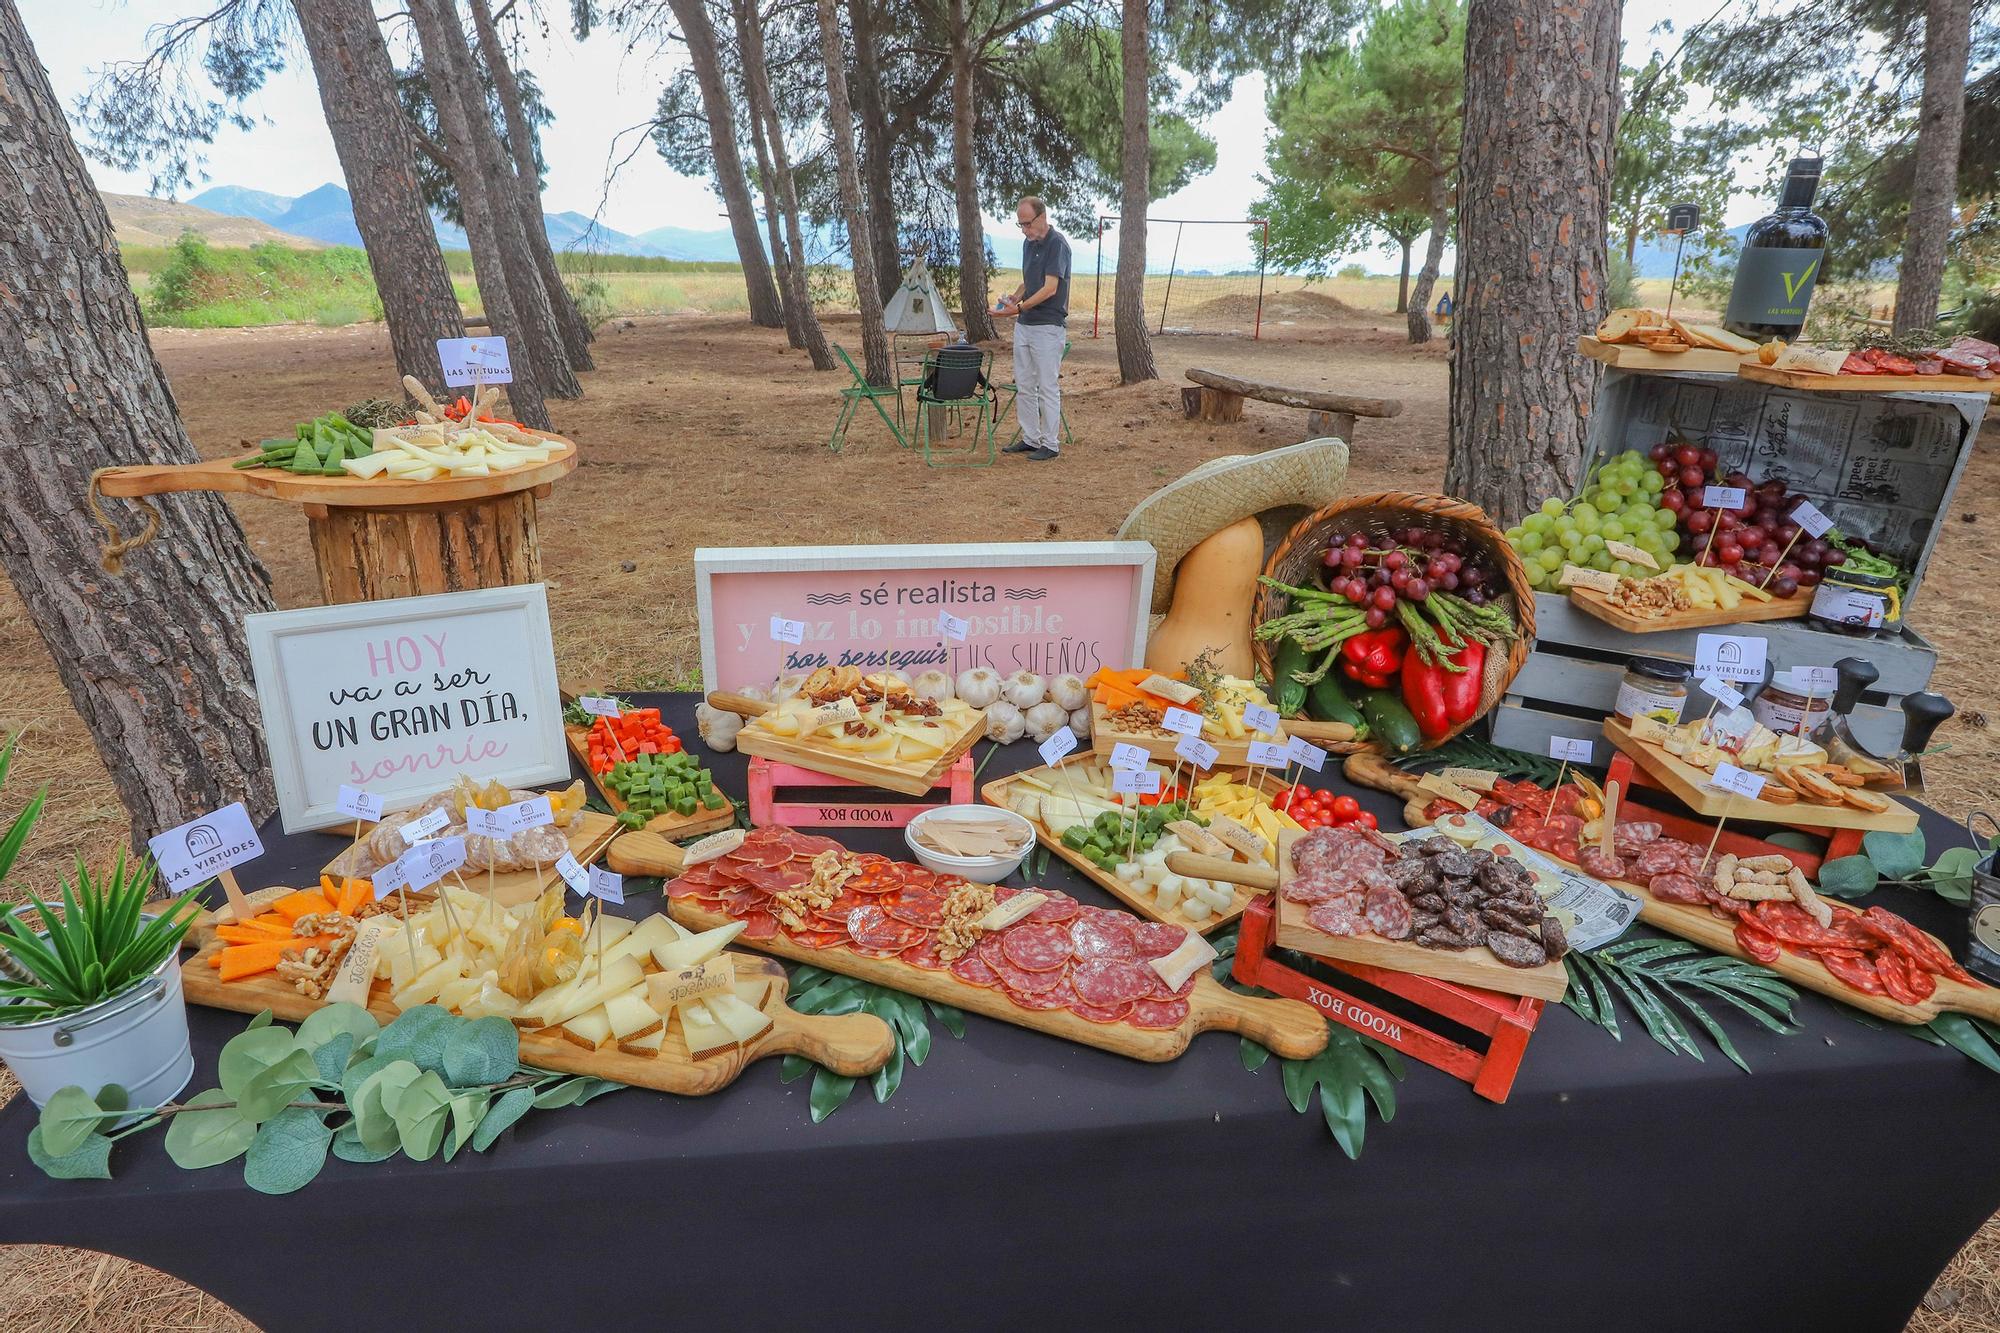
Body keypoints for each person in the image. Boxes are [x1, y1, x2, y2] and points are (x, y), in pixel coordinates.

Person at [996, 196, 1070, 462]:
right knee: (1025, 385)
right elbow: (1030, 281)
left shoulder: (1057, 244)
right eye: (1021, 225)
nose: (1025, 230)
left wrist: (1020, 308)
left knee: (1047, 385)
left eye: (1027, 223)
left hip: (1048, 325)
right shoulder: (1028, 245)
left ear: (1042, 217)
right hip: (1025, 324)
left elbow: (1050, 288)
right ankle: (1030, 438)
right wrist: (1016, 298)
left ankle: (1051, 444)